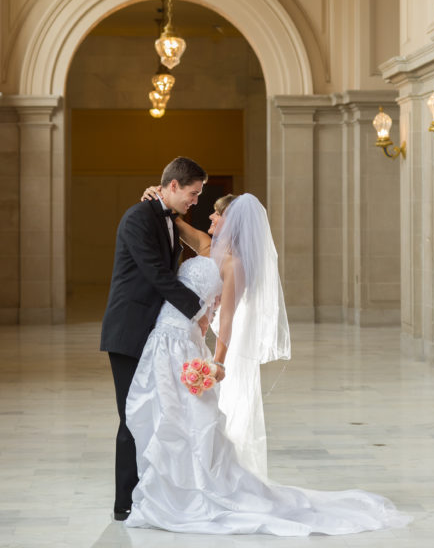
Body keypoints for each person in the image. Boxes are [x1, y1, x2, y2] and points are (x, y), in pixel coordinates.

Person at [123, 190, 411, 536]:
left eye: (217, 215)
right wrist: (155, 195)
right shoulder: (205, 246)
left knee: (188, 421)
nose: (210, 218)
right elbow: (174, 219)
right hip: (166, 339)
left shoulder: (236, 265)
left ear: (232, 223)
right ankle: (169, 487)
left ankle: (192, 492)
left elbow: (226, 319)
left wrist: (217, 364)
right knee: (166, 414)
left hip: (186, 347)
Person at [100, 157, 210, 522]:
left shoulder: (165, 218)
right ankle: (124, 504)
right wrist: (199, 311)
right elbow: (157, 275)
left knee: (149, 412)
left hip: (154, 331)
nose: (196, 201)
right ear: (174, 186)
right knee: (130, 417)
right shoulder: (137, 217)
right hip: (129, 330)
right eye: (193, 193)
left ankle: (149, 495)